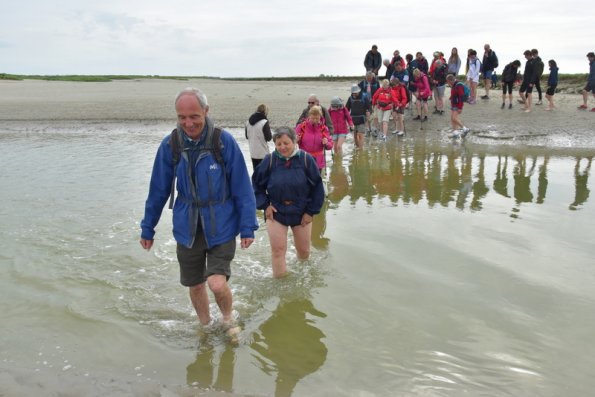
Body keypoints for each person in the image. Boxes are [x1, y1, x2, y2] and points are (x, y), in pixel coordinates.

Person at [139, 87, 258, 335]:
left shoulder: (222, 142)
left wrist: (247, 226)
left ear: (206, 111)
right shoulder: (171, 145)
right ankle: (205, 326)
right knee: (194, 285)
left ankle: (227, 319)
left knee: (216, 283)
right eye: (182, 117)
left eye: (194, 116)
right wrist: (147, 227)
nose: (188, 123)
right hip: (187, 226)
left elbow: (242, 188)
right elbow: (158, 190)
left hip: (222, 224)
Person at [252, 127, 325, 278]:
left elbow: (318, 188)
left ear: (294, 141)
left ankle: (303, 279)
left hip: (301, 212)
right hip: (277, 212)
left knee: (304, 251)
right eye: (278, 144)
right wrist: (265, 205)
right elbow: (256, 185)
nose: (282, 147)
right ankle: (281, 284)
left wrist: (310, 212)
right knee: (278, 251)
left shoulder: (306, 160)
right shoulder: (270, 160)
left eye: (286, 143)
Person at [295, 105, 333, 171]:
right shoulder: (301, 127)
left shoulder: (324, 129)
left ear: (320, 117)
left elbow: (330, 146)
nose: (315, 120)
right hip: (304, 159)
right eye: (313, 118)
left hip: (318, 162)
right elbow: (291, 143)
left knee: (316, 180)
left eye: (317, 118)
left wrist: (326, 143)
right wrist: (296, 140)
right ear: (309, 116)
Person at [245, 104, 272, 170]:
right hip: (263, 153)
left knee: (256, 174)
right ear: (265, 112)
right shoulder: (264, 122)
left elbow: (247, 136)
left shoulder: (247, 122)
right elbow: (269, 138)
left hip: (253, 153)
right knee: (265, 174)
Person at [345, 84, 371, 149]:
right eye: (353, 93)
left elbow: (369, 107)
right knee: (355, 135)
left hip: (362, 119)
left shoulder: (364, 97)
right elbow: (346, 109)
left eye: (355, 93)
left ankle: (361, 150)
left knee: (360, 135)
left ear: (359, 91)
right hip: (353, 120)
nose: (354, 94)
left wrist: (368, 111)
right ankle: (357, 148)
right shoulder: (350, 98)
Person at [446, 74, 470, 138]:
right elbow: (455, 94)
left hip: (457, 105)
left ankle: (465, 128)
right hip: (454, 104)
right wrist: (451, 97)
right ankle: (455, 132)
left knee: (454, 118)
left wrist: (460, 108)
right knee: (453, 118)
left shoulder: (458, 85)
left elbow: (461, 97)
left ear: (450, 80)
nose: (447, 83)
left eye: (447, 81)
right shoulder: (454, 85)